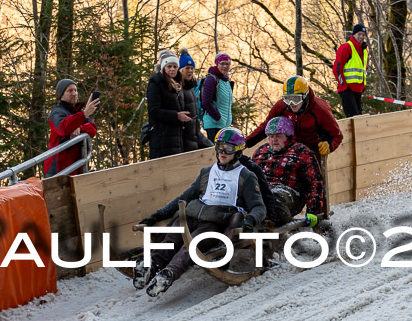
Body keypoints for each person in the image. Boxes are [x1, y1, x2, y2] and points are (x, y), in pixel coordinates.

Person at [133, 127, 266, 297]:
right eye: (219, 146)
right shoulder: (207, 172)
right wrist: (158, 215)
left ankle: (168, 275)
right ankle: (150, 267)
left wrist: (250, 221)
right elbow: (185, 197)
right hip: (191, 214)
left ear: (238, 151)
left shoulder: (245, 176)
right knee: (171, 239)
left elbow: (259, 206)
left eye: (228, 148)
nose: (222, 152)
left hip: (214, 222)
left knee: (191, 245)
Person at [245, 75, 343, 158]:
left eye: (296, 99)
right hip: (288, 149)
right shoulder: (281, 107)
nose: (292, 103)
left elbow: (337, 134)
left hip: (312, 150)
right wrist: (246, 143)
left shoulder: (320, 110)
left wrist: (329, 145)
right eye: (288, 99)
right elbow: (265, 127)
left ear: (305, 96)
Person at [251, 117, 324, 227]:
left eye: (278, 136)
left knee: (273, 198)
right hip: (262, 191)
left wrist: (313, 211)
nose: (274, 140)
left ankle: (272, 221)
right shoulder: (261, 152)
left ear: (288, 136)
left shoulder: (301, 152)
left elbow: (314, 183)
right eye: (271, 136)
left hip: (289, 194)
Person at [44, 79, 99, 177]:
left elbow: (92, 129)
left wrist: (80, 128)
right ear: (61, 95)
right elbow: (63, 128)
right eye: (70, 91)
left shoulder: (78, 112)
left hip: (76, 168)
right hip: (57, 170)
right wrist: (85, 113)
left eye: (75, 90)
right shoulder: (57, 112)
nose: (74, 93)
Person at [147, 50, 193, 159]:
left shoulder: (177, 85)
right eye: (169, 66)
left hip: (176, 137)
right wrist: (176, 116)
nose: (172, 69)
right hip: (161, 137)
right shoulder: (156, 83)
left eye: (174, 66)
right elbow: (154, 111)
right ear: (163, 67)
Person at [178, 48, 214, 153]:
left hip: (194, 136)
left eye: (192, 68)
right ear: (181, 70)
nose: (190, 71)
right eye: (187, 68)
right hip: (184, 141)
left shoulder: (191, 89)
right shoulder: (179, 89)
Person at [333, 24, 369, 117]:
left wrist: (363, 85)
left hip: (358, 89)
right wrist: (343, 85)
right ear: (353, 35)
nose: (361, 37)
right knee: (353, 117)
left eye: (363, 35)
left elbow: (364, 69)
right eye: (359, 34)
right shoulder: (346, 47)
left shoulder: (364, 50)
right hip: (347, 89)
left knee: (359, 117)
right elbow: (337, 69)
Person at [201, 52, 234, 141]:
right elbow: (206, 102)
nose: (225, 66)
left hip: (223, 124)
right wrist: (218, 117)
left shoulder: (226, 81)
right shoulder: (212, 79)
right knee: (215, 152)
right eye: (222, 63)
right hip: (213, 124)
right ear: (217, 64)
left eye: (227, 64)